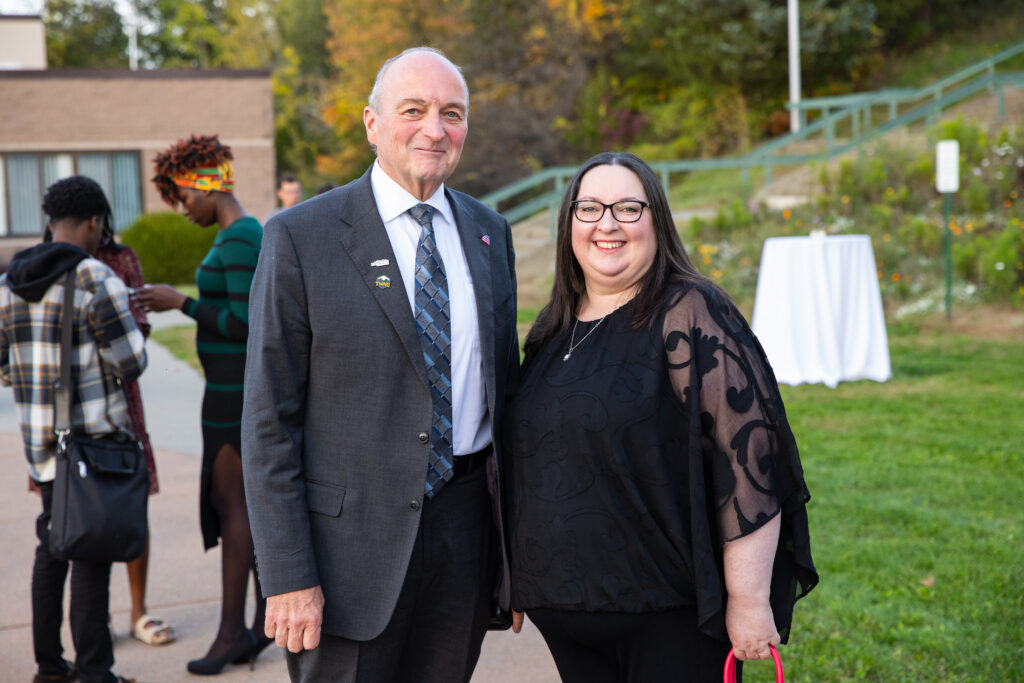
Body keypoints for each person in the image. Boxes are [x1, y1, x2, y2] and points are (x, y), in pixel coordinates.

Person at [241, 46, 519, 683]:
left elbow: (504, 397)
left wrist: (515, 559)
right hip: (346, 558)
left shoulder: (489, 232)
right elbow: (268, 421)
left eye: (452, 113)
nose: (434, 129)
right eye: (413, 110)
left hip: (464, 540)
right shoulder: (301, 236)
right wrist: (287, 574)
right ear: (372, 123)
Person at [504, 152, 818, 682]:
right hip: (563, 616)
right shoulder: (552, 328)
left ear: (657, 220)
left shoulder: (689, 311)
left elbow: (750, 459)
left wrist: (748, 600)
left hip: (667, 617)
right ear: (568, 223)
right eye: (589, 208)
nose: (607, 224)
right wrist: (514, 575)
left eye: (628, 208)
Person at [1, 175, 147, 683]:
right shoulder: (94, 279)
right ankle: (93, 672)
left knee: (52, 545)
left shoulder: (9, 284)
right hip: (93, 446)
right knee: (91, 558)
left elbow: (4, 367)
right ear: (93, 222)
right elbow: (131, 362)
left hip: (41, 446)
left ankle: (48, 666)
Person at [136, 134, 267, 675]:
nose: (184, 209)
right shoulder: (234, 234)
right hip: (224, 391)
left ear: (208, 185)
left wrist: (181, 303)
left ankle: (233, 633)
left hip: (235, 394)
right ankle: (256, 624)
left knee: (234, 507)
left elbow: (247, 324)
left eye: (185, 197)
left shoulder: (240, 237)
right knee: (235, 505)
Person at [34, 221, 177, 647]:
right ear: (93, 221)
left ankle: (129, 616)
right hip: (81, 421)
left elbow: (139, 329)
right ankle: (91, 651)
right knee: (75, 534)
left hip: (80, 416)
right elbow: (130, 357)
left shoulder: (116, 261)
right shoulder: (81, 273)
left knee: (121, 510)